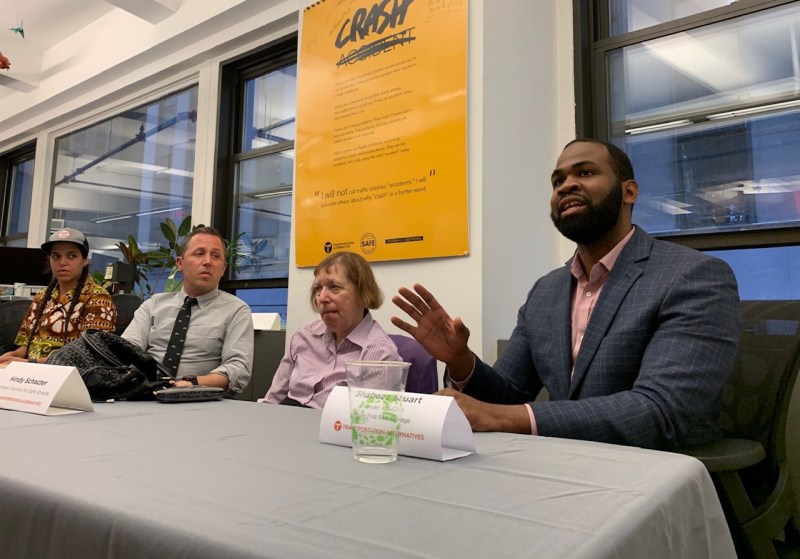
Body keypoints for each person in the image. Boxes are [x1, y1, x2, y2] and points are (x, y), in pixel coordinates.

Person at [392, 139, 741, 450]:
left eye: (586, 172)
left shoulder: (693, 276)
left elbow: (661, 411)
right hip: (561, 466)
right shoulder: (547, 290)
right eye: (557, 181)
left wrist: (502, 418)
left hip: (656, 478)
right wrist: (460, 360)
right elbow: (510, 392)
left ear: (629, 192)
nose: (566, 185)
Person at [122, 226, 253, 394]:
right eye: (199, 253)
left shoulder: (236, 310)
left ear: (223, 268)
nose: (208, 261)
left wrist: (190, 383)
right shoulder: (153, 305)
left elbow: (238, 368)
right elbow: (125, 351)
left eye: (216, 256)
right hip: (145, 393)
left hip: (200, 399)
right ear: (180, 263)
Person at [260, 251, 400, 408]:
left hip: (333, 429)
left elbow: (369, 423)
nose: (322, 298)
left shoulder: (380, 354)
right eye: (318, 289)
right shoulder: (304, 335)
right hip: (284, 422)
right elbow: (273, 399)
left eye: (334, 287)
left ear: (363, 293)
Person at [0, 228, 117, 364]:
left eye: (71, 256)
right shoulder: (42, 297)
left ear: (85, 260)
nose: (62, 262)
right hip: (30, 372)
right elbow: (24, 347)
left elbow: (90, 356)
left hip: (70, 376)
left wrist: (29, 363)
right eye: (56, 256)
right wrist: (11, 357)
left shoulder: (98, 298)